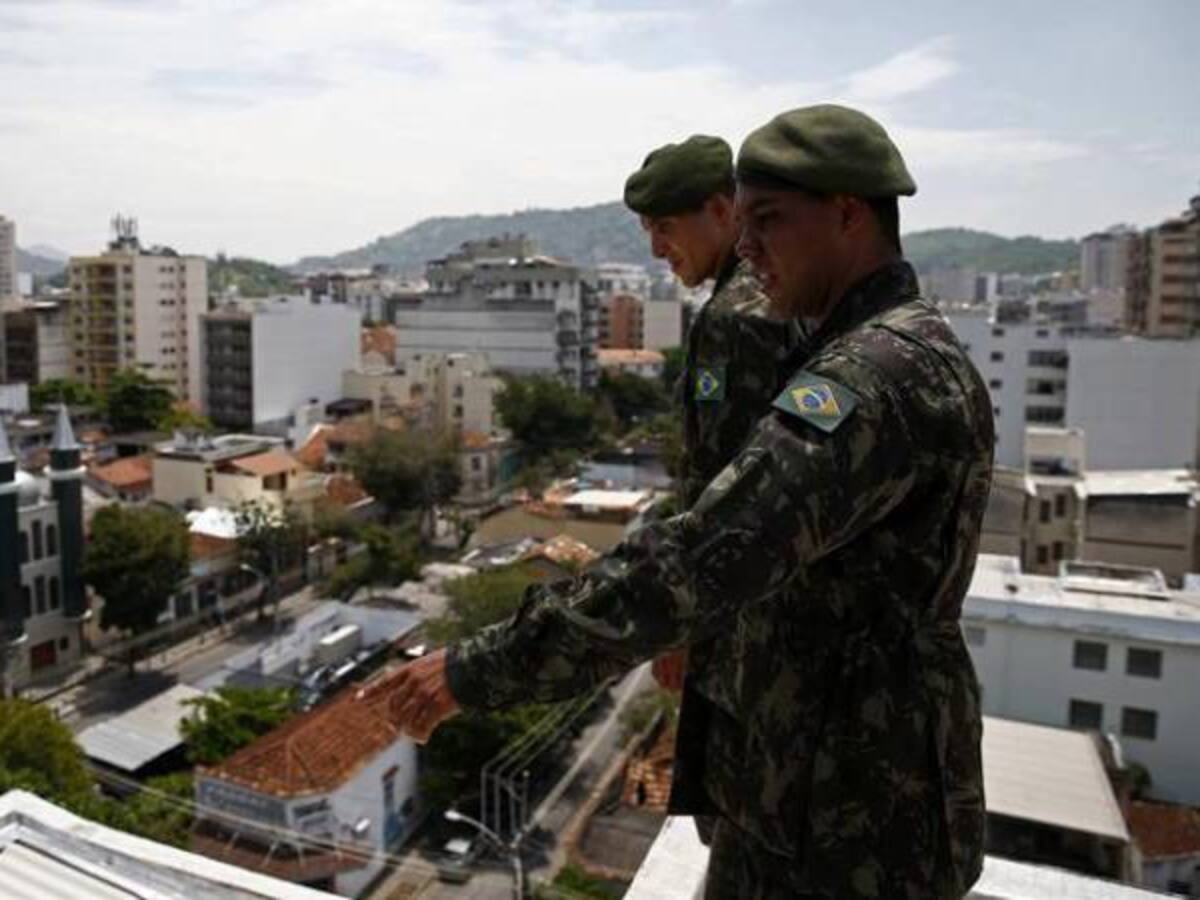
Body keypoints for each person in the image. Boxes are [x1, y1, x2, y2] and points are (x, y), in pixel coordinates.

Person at [362, 104, 993, 899]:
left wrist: (477, 670)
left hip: (847, 808)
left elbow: (703, 555)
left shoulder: (870, 379)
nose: (750, 247)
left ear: (847, 214)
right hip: (817, 780)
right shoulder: (880, 348)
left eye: (768, 220)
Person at [622, 135, 796, 788]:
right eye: (647, 230)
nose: (656, 248)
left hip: (745, 635)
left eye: (665, 227)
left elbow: (729, 497)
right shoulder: (771, 294)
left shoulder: (737, 317)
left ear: (723, 211)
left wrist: (682, 623)